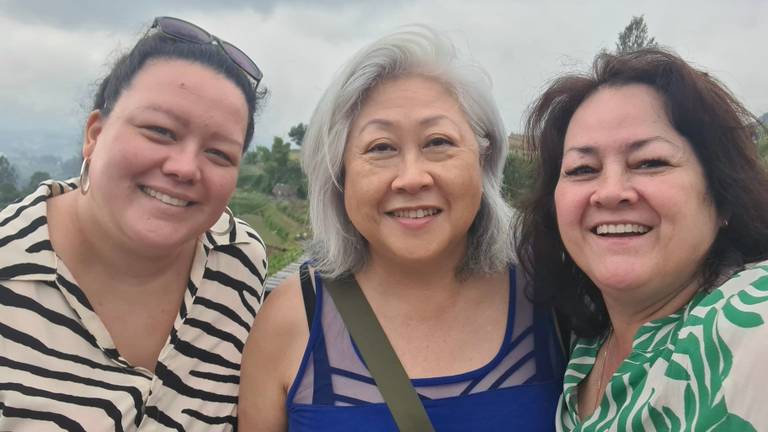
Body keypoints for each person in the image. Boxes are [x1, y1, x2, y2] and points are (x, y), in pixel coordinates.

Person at [238, 27, 565, 432]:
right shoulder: (291, 319)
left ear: (484, 159)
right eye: (381, 148)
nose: (411, 178)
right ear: (340, 174)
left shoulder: (552, 292)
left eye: (438, 142)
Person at [0, 16, 268, 431]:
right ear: (95, 134)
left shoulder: (237, 264)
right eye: (160, 131)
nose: (184, 168)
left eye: (219, 154)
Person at [516, 47, 768, 431]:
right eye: (583, 169)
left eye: (650, 162)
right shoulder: (582, 349)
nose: (611, 192)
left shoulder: (750, 323)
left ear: (722, 196)